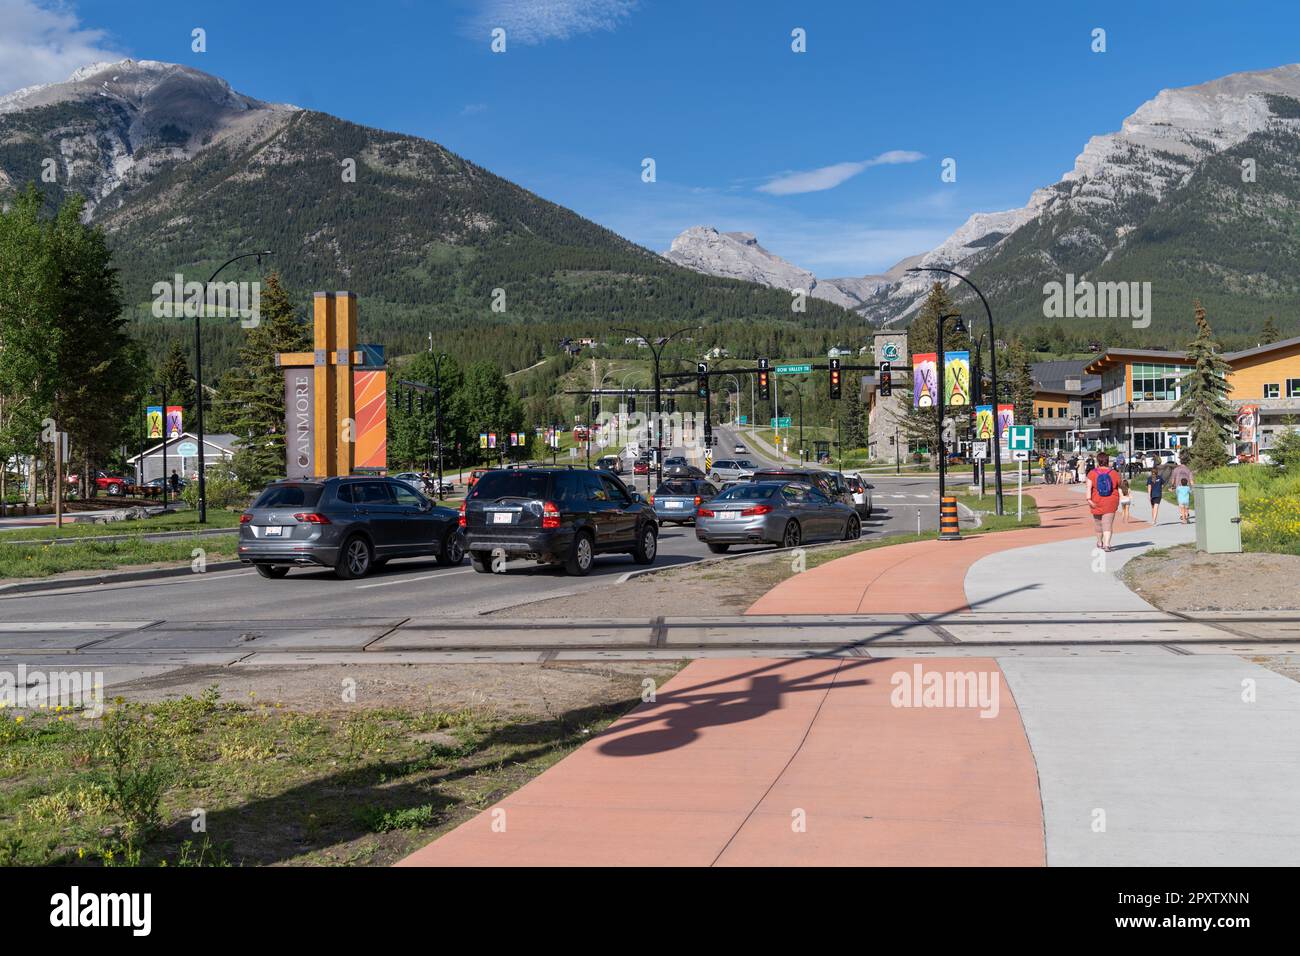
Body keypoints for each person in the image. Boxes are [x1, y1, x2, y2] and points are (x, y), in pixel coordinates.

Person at [1087, 451, 1122, 551]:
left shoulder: (1092, 473)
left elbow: (1088, 488)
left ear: (1098, 462)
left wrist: (1089, 500)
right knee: (1108, 523)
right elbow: (1120, 485)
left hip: (1096, 501)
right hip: (1111, 501)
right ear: (1108, 462)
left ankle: (1099, 542)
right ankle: (1107, 544)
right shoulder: (1114, 473)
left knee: (1098, 523)